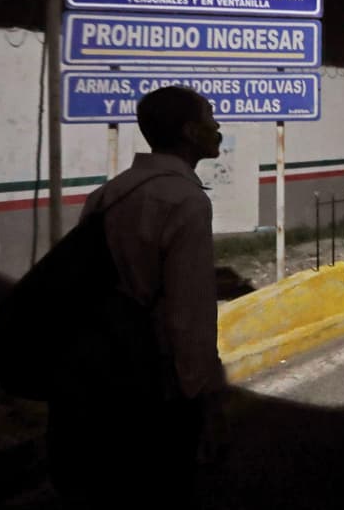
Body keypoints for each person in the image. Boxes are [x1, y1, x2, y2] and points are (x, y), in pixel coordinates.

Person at [47, 86, 227, 510]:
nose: (218, 127)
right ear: (189, 131)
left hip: (102, 376)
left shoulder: (107, 194)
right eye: (210, 117)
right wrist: (204, 401)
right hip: (156, 388)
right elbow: (189, 316)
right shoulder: (185, 201)